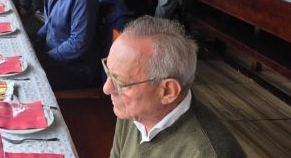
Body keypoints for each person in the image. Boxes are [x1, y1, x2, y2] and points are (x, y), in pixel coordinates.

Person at [104, 16, 246, 158]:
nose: (106, 88)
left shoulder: (208, 153)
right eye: (109, 72)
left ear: (167, 91)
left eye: (120, 82)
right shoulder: (133, 112)